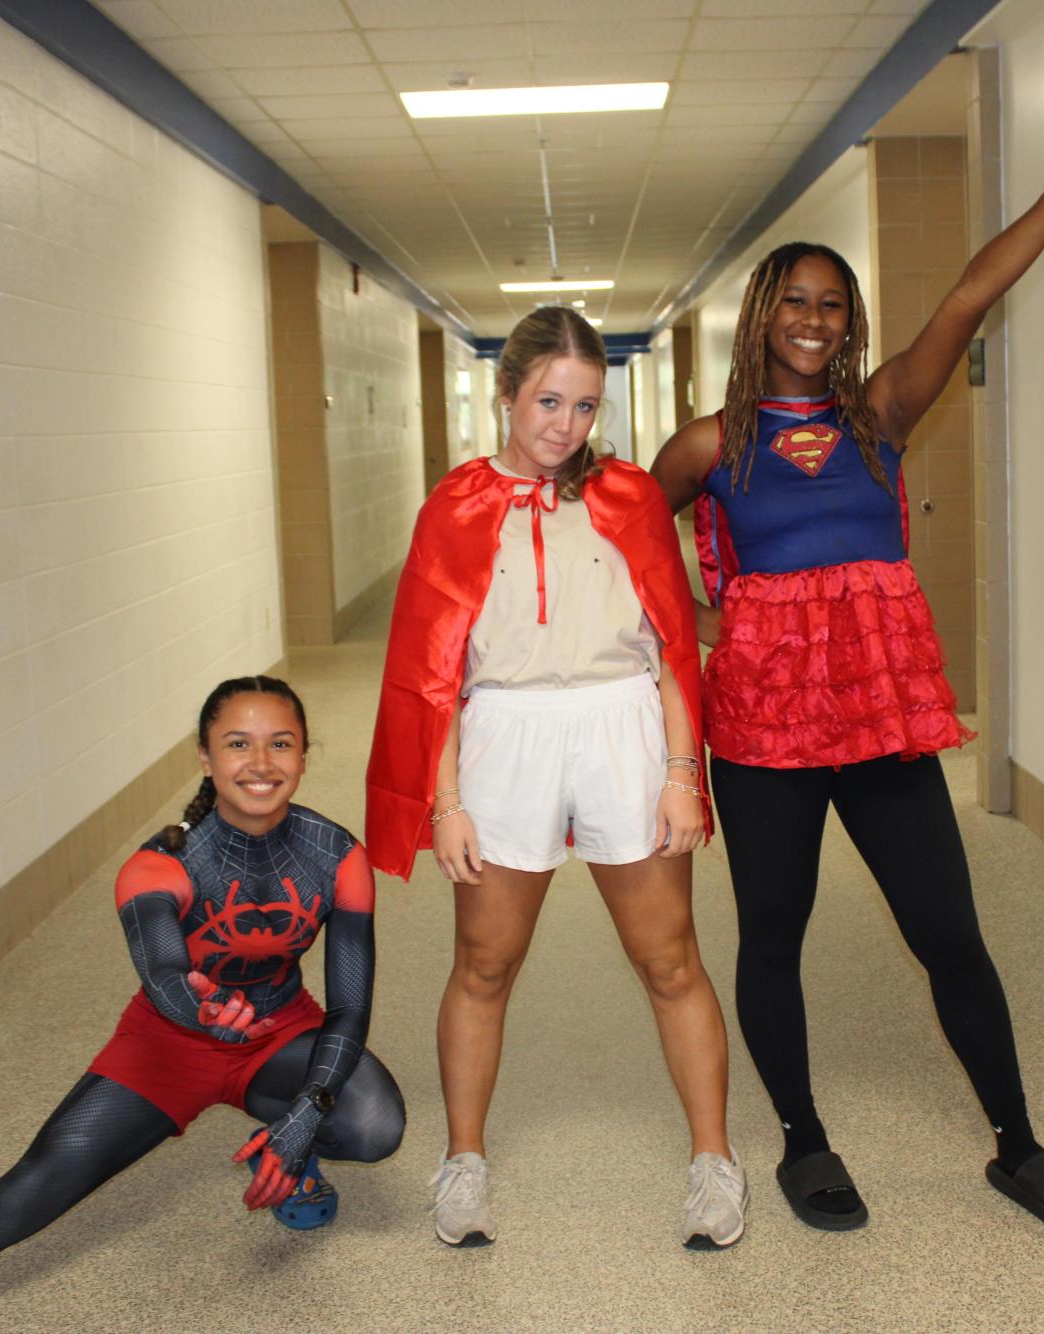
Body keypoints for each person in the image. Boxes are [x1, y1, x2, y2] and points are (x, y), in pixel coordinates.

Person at [650, 105, 1044, 1235]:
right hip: (763, 725)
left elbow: (968, 291)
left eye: (832, 303)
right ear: (762, 315)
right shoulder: (712, 444)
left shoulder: (883, 412)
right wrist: (706, 619)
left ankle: (1018, 1139)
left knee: (948, 929)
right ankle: (805, 1140)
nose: (815, 318)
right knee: (774, 930)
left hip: (880, 716)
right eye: (796, 301)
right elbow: (628, 536)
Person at [0, 677, 403, 1332]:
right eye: (237, 744)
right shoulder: (157, 865)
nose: (260, 764)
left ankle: (287, 1139)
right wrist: (197, 1009)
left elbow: (348, 1008)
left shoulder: (337, 856)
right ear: (204, 757)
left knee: (372, 1126)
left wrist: (307, 1111)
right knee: (24, 1195)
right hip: (169, 1046)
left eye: (280, 744)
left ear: (305, 754)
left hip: (280, 1036)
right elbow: (166, 974)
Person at [365, 306, 744, 1251]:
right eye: (546, 401)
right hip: (506, 735)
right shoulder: (453, 506)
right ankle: (463, 1164)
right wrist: (445, 800)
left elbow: (668, 647)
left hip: (622, 725)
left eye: (583, 406)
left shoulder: (629, 497)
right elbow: (431, 672)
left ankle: (713, 1164)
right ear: (506, 394)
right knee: (484, 964)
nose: (563, 427)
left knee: (669, 959)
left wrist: (680, 771)